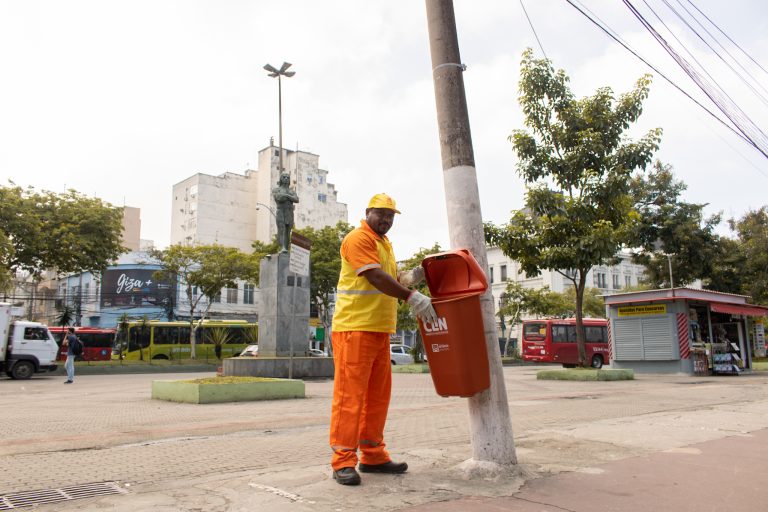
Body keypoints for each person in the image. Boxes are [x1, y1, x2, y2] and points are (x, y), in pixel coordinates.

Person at [329, 193, 438, 486]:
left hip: (379, 330)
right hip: (354, 329)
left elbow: (391, 277)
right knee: (349, 398)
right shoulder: (358, 238)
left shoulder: (383, 244)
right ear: (368, 212)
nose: (386, 221)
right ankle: (343, 461)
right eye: (381, 214)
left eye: (391, 216)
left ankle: (373, 455)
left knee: (377, 398)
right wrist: (412, 296)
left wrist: (413, 277)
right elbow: (375, 277)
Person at [272, 172, 299, 252]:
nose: (286, 179)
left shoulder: (291, 191)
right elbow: (279, 198)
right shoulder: (277, 189)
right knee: (282, 228)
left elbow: (296, 199)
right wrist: (290, 198)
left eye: (288, 177)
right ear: (281, 179)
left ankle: (286, 248)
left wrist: (286, 196)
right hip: (280, 211)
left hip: (289, 212)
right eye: (284, 177)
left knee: (288, 230)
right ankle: (282, 247)